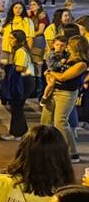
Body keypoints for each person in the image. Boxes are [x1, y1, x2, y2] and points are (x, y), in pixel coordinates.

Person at [41, 34, 88, 162]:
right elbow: (53, 67)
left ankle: (72, 153)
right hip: (53, 89)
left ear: (76, 47)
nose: (67, 47)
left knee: (60, 122)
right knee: (46, 120)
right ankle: (45, 149)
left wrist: (50, 73)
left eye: (69, 45)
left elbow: (63, 77)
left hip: (66, 93)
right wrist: (50, 75)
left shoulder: (81, 63)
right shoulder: (66, 57)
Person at [0, 29, 36, 140]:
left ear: (18, 40)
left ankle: (17, 133)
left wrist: (8, 66)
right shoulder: (21, 50)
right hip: (25, 80)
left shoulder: (20, 51)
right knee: (16, 107)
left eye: (12, 38)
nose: (9, 40)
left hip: (24, 81)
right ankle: (18, 131)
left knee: (16, 107)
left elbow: (21, 68)